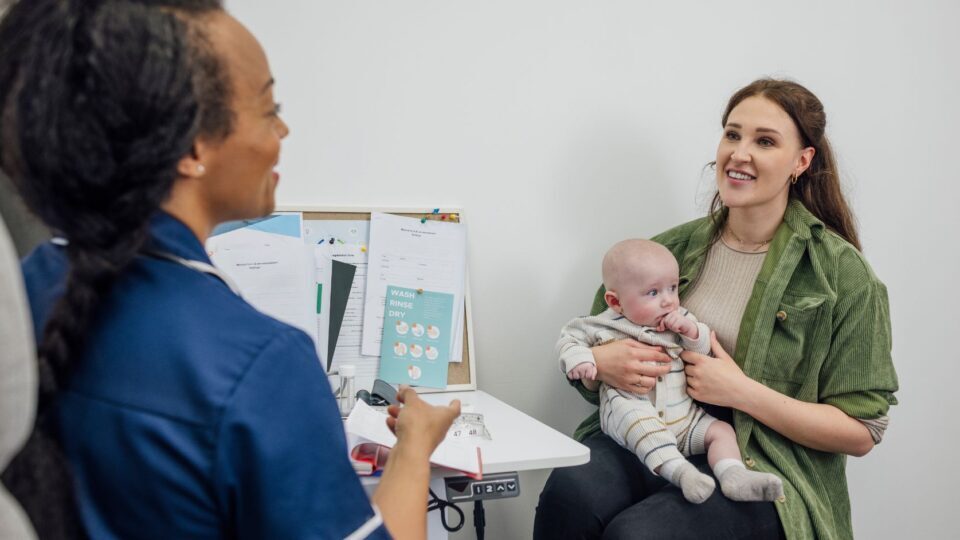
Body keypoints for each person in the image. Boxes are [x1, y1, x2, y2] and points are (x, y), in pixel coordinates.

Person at [0, 1, 459, 538]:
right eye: (270, 108)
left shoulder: (24, 291)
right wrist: (414, 447)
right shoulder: (260, 366)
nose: (282, 130)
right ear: (193, 146)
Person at [534, 78, 899, 540]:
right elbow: (591, 351)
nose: (740, 153)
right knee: (570, 495)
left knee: (638, 536)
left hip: (762, 457)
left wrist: (740, 391)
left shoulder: (842, 276)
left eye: (764, 141)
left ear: (801, 161)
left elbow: (863, 430)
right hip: (652, 428)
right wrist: (603, 365)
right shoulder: (669, 251)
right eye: (732, 134)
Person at [557, 239, 783, 505]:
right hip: (632, 411)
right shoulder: (600, 324)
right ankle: (683, 474)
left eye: (673, 288)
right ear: (615, 301)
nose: (668, 301)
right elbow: (568, 341)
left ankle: (733, 474)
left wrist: (691, 331)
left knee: (721, 431)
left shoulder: (679, 318)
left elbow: (702, 349)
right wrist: (587, 360)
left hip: (685, 419)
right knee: (642, 427)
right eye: (653, 293)